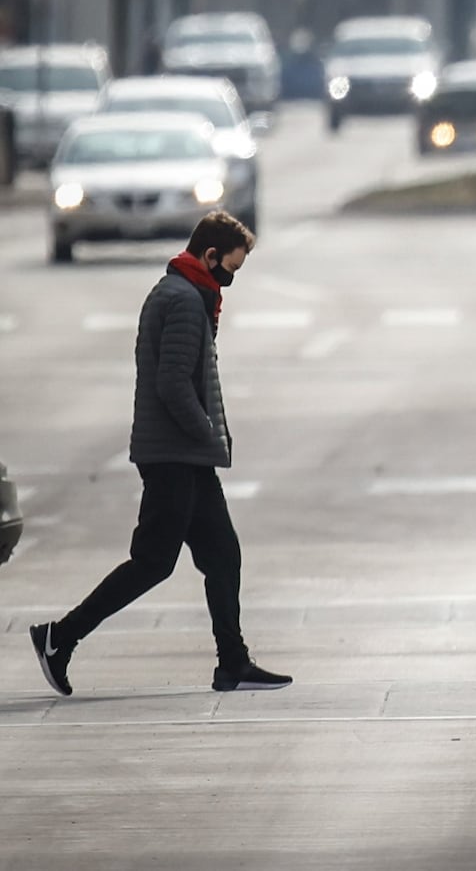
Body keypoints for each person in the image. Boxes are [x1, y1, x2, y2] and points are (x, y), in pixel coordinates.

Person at [30, 212, 292, 696]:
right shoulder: (184, 300)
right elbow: (171, 383)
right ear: (209, 257)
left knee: (222, 555)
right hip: (175, 455)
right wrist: (207, 431)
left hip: (184, 455)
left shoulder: (185, 293)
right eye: (228, 270)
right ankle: (59, 637)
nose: (229, 282)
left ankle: (232, 662)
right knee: (153, 562)